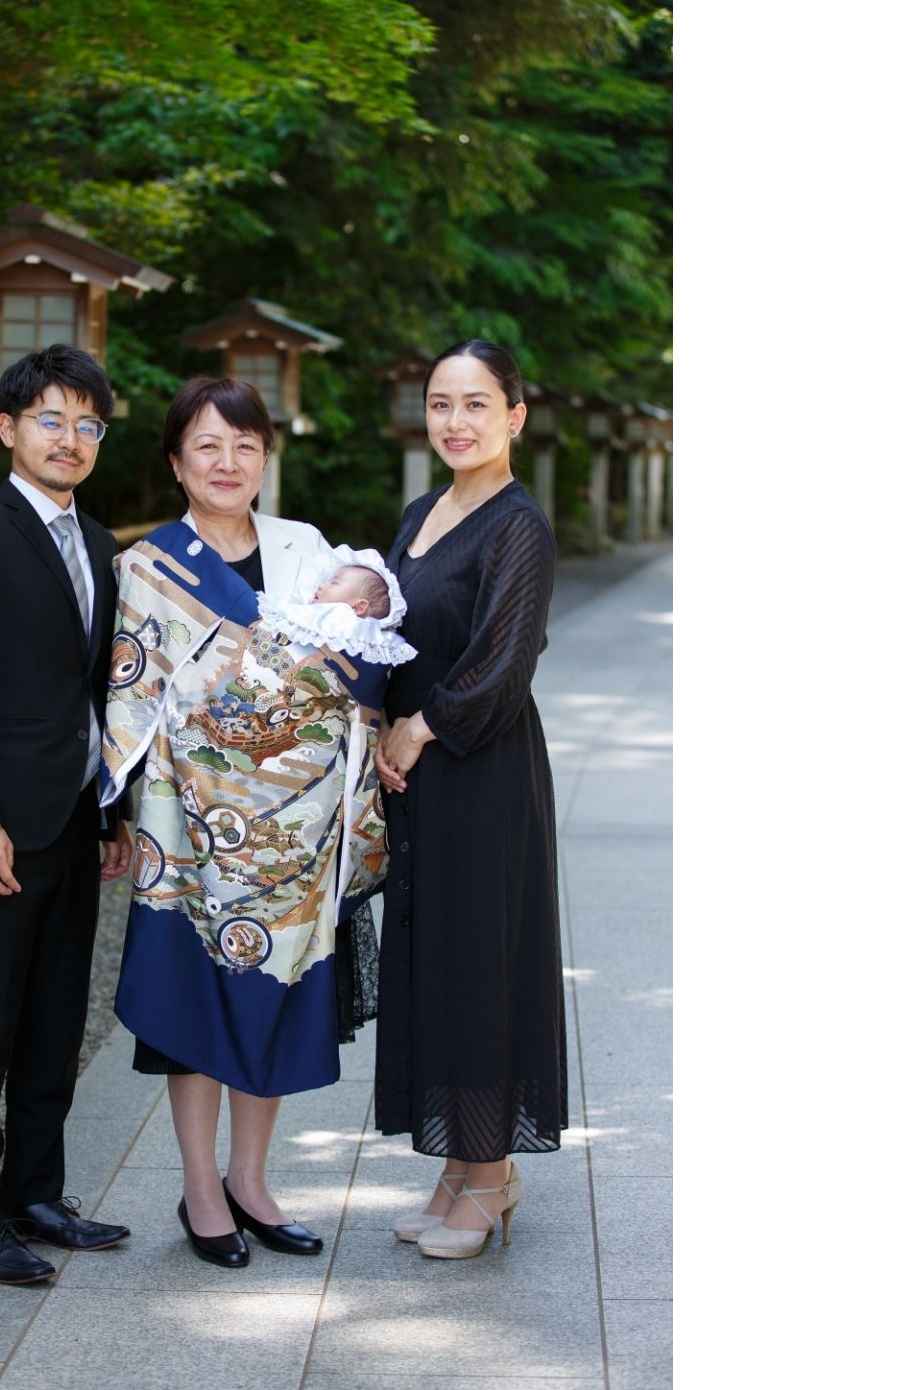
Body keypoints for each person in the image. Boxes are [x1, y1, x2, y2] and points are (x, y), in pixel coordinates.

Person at [99, 376, 385, 1269]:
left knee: (275, 996)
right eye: (208, 447)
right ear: (177, 463)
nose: (229, 464)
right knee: (194, 1001)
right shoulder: (151, 566)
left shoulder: (307, 551)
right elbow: (131, 694)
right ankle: (198, 1187)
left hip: (296, 833)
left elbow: (363, 661)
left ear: (267, 457)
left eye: (245, 446)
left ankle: (252, 1182)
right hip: (190, 826)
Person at [0, 344, 133, 1286]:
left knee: (54, 1020)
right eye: (51, 419)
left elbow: (99, 693)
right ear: (7, 429)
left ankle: (38, 1190)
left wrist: (112, 813)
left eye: (88, 423)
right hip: (0, 830)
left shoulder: (98, 542)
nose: (71, 439)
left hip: (75, 817)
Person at [374, 338, 567, 1261]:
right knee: (436, 957)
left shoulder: (518, 523)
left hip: (480, 766)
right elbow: (388, 627)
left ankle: (491, 1179)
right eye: (441, 403)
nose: (456, 421)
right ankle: (456, 1165)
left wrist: (419, 727)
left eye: (477, 404)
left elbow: (503, 660)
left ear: (515, 417)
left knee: (481, 959)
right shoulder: (423, 510)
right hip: (421, 772)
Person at [256, 544, 417, 668]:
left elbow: (290, 614)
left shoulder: (341, 618)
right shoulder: (371, 637)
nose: (321, 585)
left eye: (334, 582)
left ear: (359, 607)